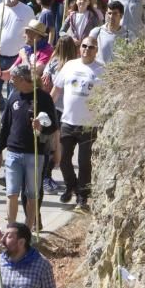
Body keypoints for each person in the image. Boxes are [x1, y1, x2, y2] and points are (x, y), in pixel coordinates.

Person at [0, 64, 58, 228]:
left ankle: (28, 229)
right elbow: (6, 126)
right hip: (13, 152)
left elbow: (53, 126)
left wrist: (42, 127)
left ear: (23, 80)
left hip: (35, 153)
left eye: (13, 79)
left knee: (32, 195)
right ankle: (11, 228)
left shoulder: (43, 98)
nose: (11, 83)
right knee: (12, 193)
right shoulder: (13, 97)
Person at [51, 34, 105, 210]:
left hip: (89, 124)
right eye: (84, 46)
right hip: (68, 121)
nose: (86, 50)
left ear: (96, 51)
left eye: (91, 47)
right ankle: (70, 186)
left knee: (84, 163)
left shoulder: (101, 70)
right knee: (63, 160)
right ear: (79, 47)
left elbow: (107, 97)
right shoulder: (69, 66)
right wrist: (45, 109)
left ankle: (82, 196)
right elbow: (56, 90)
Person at [89, 1, 129, 65]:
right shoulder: (96, 32)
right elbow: (88, 52)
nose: (111, 17)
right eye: (109, 13)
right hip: (98, 71)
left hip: (118, 73)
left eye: (115, 13)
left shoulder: (128, 35)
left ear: (121, 16)